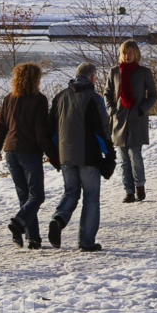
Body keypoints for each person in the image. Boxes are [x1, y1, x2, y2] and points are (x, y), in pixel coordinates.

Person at [0, 61, 54, 249]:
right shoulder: (39, 99)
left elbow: (0, 128)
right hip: (29, 152)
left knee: (25, 196)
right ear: (35, 79)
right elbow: (41, 134)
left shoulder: (9, 98)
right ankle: (18, 223)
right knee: (37, 196)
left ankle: (33, 239)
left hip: (10, 152)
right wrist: (54, 156)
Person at [46, 62, 109, 251]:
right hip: (89, 155)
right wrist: (108, 153)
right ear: (92, 77)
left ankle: (58, 220)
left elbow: (52, 129)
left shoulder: (60, 97)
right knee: (91, 197)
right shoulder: (94, 99)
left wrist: (57, 152)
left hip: (66, 154)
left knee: (70, 192)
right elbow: (102, 128)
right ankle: (86, 241)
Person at [104, 41, 157, 204]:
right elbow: (107, 93)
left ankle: (139, 185)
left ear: (136, 54)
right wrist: (112, 111)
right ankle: (128, 191)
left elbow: (153, 95)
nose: (127, 56)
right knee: (123, 159)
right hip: (119, 121)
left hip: (136, 119)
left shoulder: (144, 72)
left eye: (131, 53)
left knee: (135, 155)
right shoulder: (114, 72)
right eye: (125, 53)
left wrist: (142, 110)